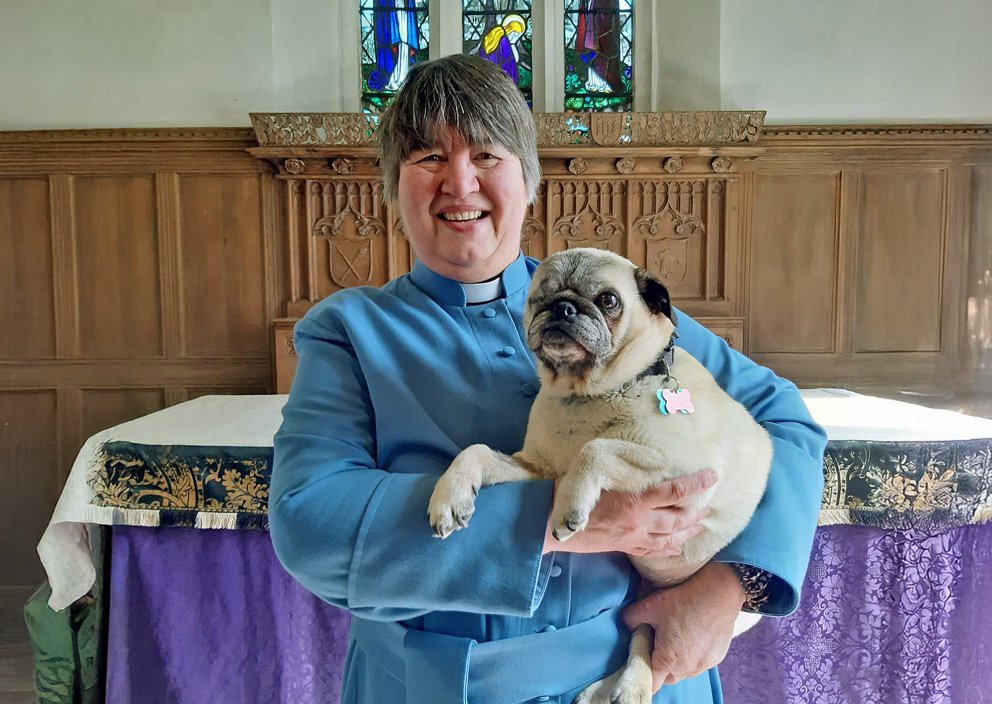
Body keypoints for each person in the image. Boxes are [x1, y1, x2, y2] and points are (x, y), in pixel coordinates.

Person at [270, 54, 826, 704]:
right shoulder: (348, 331)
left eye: (486, 155)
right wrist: (554, 518)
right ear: (393, 186)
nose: (459, 181)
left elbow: (784, 419)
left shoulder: (614, 302)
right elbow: (308, 521)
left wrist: (725, 590)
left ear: (528, 181)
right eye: (427, 158)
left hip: (637, 677)